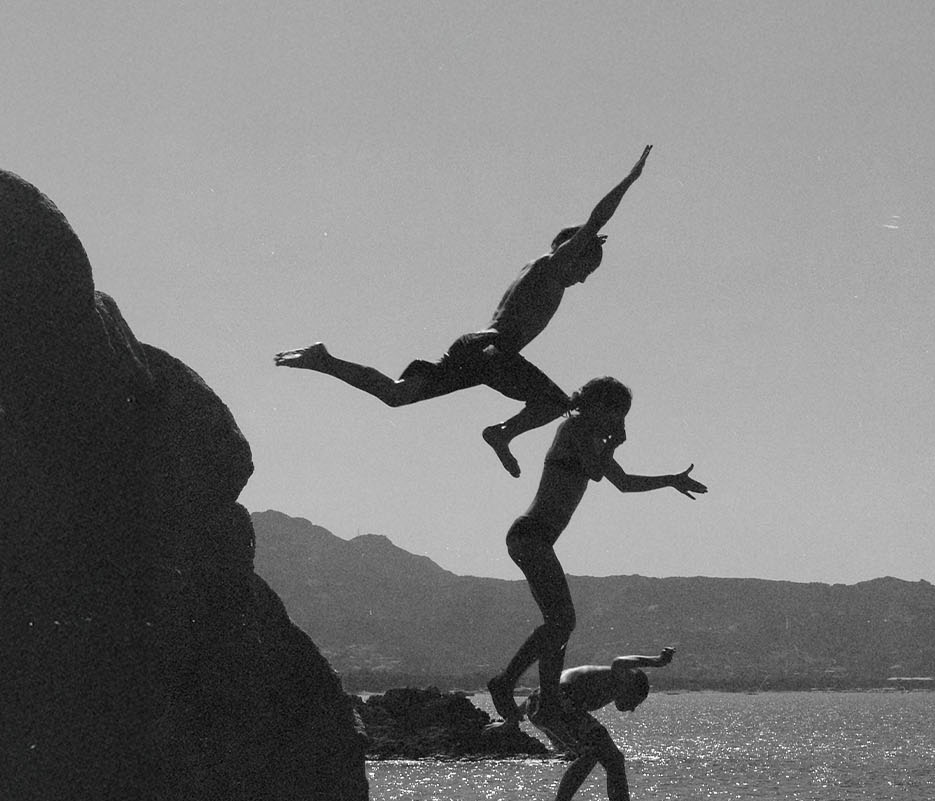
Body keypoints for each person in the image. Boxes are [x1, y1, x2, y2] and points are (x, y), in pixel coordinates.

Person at [273, 145, 653, 477]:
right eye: (586, 269)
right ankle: (501, 433)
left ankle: (323, 360)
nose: (584, 280)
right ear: (572, 254)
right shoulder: (552, 266)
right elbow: (596, 221)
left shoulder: (540, 269)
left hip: (476, 351)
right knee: (556, 403)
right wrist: (630, 180)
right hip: (492, 352)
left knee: (396, 395)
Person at [485, 376, 704, 732]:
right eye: (618, 415)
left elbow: (623, 483)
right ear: (600, 407)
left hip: (537, 539)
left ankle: (547, 697)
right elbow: (598, 472)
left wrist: (670, 480)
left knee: (560, 624)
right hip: (530, 535)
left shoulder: (589, 438)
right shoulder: (574, 429)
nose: (620, 424)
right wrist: (614, 444)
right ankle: (507, 682)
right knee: (561, 622)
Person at [527, 646, 675, 801]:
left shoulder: (605, 685)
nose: (632, 709)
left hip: (543, 705)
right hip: (556, 703)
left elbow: (535, 698)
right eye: (637, 702)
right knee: (610, 757)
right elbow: (619, 662)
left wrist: (512, 719)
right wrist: (658, 661)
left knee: (595, 755)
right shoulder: (623, 678)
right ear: (631, 688)